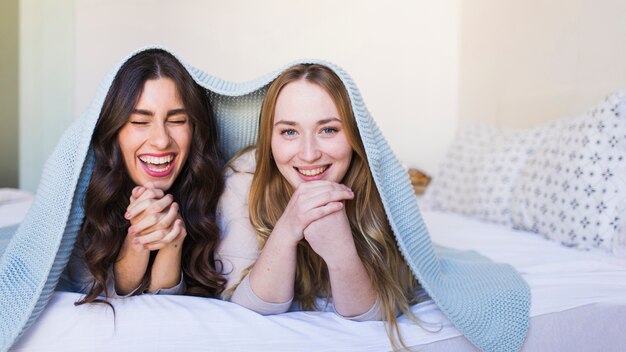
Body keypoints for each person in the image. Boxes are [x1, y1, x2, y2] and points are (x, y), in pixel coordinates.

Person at [216, 64, 421, 349]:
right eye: (289, 132)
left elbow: (374, 315)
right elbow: (249, 308)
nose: (309, 154)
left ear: (353, 135)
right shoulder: (243, 181)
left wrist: (341, 253)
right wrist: (288, 229)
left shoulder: (380, 188)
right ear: (269, 139)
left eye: (328, 129)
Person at [57, 49, 225, 304]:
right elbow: (95, 297)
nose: (161, 140)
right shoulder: (79, 198)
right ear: (114, 131)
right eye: (139, 122)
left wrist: (171, 242)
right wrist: (138, 239)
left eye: (177, 120)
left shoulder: (216, 191)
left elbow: (164, 314)